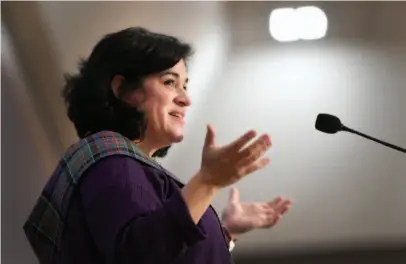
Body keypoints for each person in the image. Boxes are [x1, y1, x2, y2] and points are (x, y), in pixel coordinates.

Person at [23, 27, 292, 264]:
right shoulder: (112, 162)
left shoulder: (129, 166)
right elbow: (139, 255)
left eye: (184, 85)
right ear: (124, 91)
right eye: (169, 82)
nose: (186, 98)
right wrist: (208, 182)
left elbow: (168, 247)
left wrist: (225, 232)